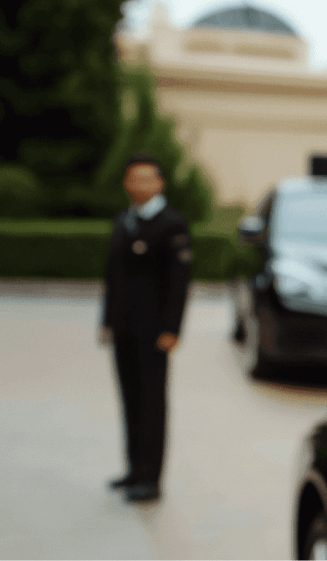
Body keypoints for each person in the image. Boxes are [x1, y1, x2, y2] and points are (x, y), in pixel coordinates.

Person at [99, 152, 192, 503]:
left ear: (159, 183)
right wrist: (107, 321)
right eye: (132, 179)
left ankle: (151, 479)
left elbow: (178, 283)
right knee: (130, 400)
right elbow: (113, 276)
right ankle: (134, 469)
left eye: (146, 179)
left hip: (155, 332)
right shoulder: (123, 220)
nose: (138, 185)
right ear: (126, 183)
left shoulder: (172, 224)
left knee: (152, 403)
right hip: (124, 328)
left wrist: (172, 329)